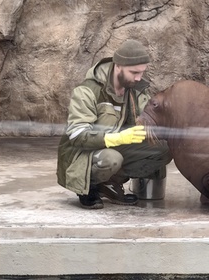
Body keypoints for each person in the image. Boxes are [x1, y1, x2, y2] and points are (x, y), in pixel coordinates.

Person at [56, 39, 172, 209]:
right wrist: (116, 138)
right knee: (112, 159)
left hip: (115, 146)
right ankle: (89, 187)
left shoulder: (135, 88)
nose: (139, 78)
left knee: (164, 149)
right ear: (118, 66)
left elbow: (149, 119)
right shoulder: (87, 90)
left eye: (142, 72)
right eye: (134, 72)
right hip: (82, 153)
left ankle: (109, 183)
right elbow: (77, 135)